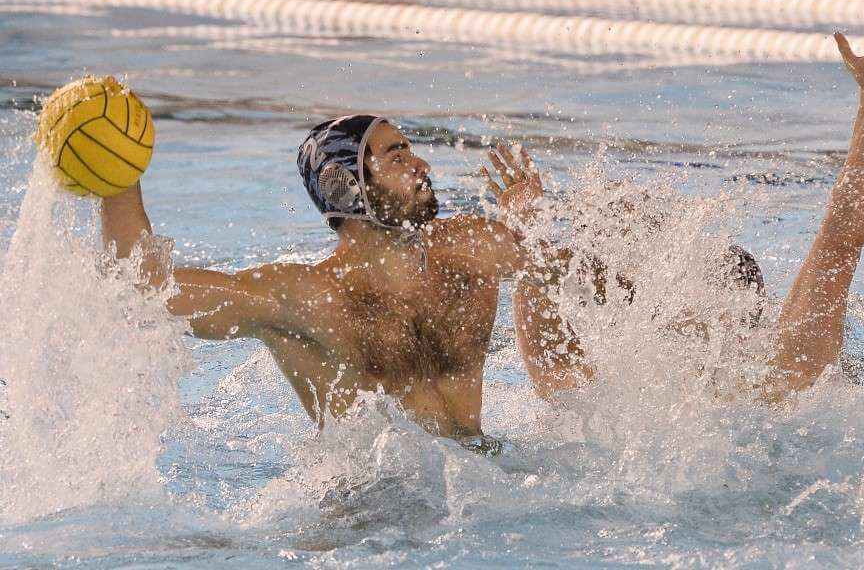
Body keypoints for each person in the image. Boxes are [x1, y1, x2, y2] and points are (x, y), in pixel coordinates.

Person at [502, 0, 864, 403]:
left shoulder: (612, 399)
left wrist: (526, 230)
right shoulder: (788, 370)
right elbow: (841, 239)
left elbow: (538, 291)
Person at [101, 114, 546, 449]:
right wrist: (117, 177)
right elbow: (145, 288)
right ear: (344, 186)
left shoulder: (470, 251)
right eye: (397, 156)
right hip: (368, 515)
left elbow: (553, 271)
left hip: (483, 479)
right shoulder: (310, 300)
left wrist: (528, 223)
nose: (422, 164)